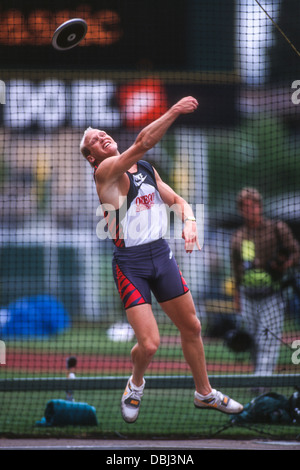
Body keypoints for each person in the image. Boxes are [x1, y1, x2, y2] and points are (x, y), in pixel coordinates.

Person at [80, 96, 243, 423]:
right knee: (151, 344)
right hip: (131, 264)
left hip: (161, 256)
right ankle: (135, 384)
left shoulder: (144, 169)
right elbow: (143, 141)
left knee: (192, 326)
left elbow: (178, 200)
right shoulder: (105, 173)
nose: (102, 137)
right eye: (95, 140)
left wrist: (190, 222)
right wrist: (174, 111)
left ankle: (204, 393)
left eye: (102, 133)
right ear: (91, 156)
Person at [231, 187, 300, 376]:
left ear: (260, 207)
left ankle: (261, 382)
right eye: (245, 207)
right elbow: (236, 271)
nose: (249, 210)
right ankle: (258, 376)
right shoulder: (238, 237)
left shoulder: (276, 229)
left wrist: (286, 264)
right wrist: (237, 297)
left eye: (252, 206)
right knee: (252, 340)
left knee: (267, 340)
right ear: (240, 210)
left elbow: (296, 252)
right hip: (248, 295)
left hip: (272, 294)